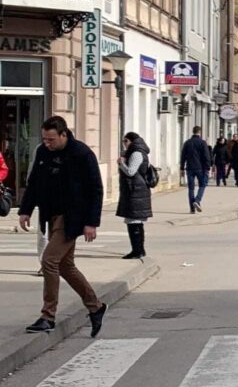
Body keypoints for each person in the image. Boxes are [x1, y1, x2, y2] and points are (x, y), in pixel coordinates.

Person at [17, 116, 107, 335]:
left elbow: (96, 189)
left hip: (72, 217)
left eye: (51, 139)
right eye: (44, 139)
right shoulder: (43, 152)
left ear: (64, 134)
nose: (47, 143)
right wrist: (25, 210)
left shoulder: (81, 154)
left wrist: (91, 222)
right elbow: (34, 183)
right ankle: (95, 307)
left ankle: (48, 316)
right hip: (51, 214)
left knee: (49, 260)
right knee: (66, 266)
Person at [117, 133, 153, 260]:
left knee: (134, 222)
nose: (124, 144)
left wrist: (121, 163)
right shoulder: (134, 152)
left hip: (136, 191)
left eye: (126, 141)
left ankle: (137, 251)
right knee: (135, 222)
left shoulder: (137, 153)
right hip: (135, 190)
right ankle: (139, 250)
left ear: (132, 141)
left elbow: (131, 172)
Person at [180, 126, 211, 212]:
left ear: (192, 132)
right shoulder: (202, 143)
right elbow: (206, 156)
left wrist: (182, 168)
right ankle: (197, 200)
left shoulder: (187, 143)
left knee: (191, 188)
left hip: (189, 168)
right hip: (200, 168)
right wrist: (208, 167)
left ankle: (192, 209)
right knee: (202, 185)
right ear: (200, 132)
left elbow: (183, 156)